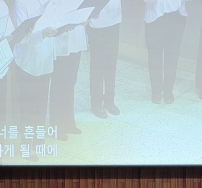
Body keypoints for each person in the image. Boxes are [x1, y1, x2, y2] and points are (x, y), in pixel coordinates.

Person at [13, 0, 57, 159]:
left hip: (45, 60)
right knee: (28, 107)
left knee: (41, 105)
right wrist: (42, 34)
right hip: (27, 62)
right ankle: (25, 145)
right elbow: (24, 37)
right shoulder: (21, 3)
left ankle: (39, 142)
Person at [48, 1, 88, 139]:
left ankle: (68, 121)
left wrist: (87, 17)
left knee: (71, 82)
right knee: (59, 84)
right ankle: (56, 126)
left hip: (76, 38)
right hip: (61, 40)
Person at [144, 0, 187, 104]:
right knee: (154, 55)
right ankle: (156, 91)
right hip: (155, 15)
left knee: (172, 56)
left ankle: (168, 91)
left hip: (177, 15)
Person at [88, 0, 122, 118]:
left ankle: (109, 100)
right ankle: (96, 104)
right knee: (97, 65)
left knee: (111, 63)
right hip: (96, 21)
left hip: (114, 18)